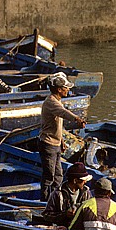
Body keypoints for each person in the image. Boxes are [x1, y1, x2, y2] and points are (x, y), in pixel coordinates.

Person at [38, 72, 86, 201]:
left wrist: (62, 141)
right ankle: (45, 201)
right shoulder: (51, 102)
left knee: (58, 175)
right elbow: (63, 113)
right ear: (59, 90)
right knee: (49, 176)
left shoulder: (57, 101)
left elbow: (59, 125)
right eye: (66, 88)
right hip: (48, 144)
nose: (68, 89)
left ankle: (55, 199)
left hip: (56, 144)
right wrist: (76, 118)